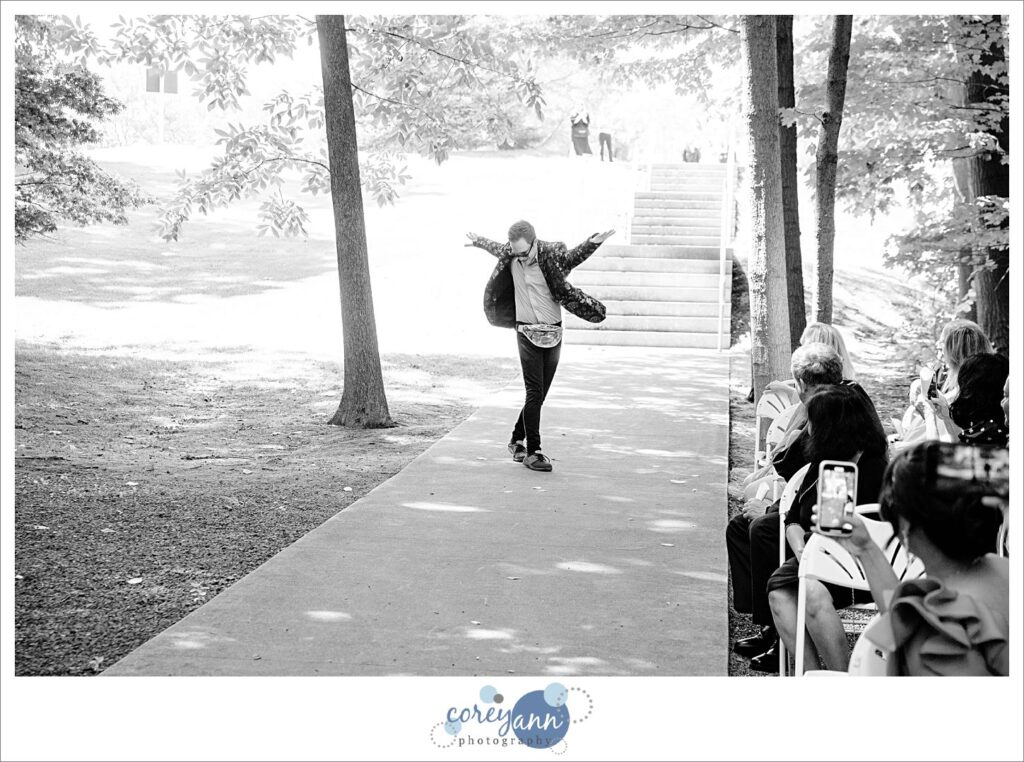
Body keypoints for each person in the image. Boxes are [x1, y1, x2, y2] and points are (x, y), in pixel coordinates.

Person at [835, 441, 1008, 675]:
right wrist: (865, 547)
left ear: (905, 523)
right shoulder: (1001, 569)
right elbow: (900, 615)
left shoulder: (937, 629)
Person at [728, 342, 845, 669]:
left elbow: (810, 476)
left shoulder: (831, 412)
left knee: (763, 529)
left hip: (831, 523)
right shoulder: (833, 403)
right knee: (742, 526)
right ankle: (770, 628)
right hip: (814, 507)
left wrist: (775, 512)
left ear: (803, 386)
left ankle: (784, 640)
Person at [464, 222, 615, 472]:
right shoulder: (511, 254)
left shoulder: (550, 254)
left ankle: (516, 439)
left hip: (553, 331)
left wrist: (593, 242)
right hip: (526, 332)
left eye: (523, 252)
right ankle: (534, 451)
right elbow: (495, 247)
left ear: (533, 243)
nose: (519, 256)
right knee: (534, 391)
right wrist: (479, 240)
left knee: (540, 393)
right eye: (515, 252)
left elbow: (572, 258)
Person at [765, 383, 889, 673]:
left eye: (813, 423)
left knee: (812, 592)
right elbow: (793, 515)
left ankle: (843, 675)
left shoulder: (861, 469)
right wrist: (801, 549)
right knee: (780, 592)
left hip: (856, 567)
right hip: (814, 554)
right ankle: (808, 675)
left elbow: (834, 528)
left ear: (831, 427)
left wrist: (808, 551)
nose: (808, 429)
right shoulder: (824, 460)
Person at [893, 319, 993, 448]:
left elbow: (945, 445)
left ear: (955, 352)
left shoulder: (966, 395)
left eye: (942, 343)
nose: (940, 350)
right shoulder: (981, 378)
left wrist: (929, 413)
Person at [928, 352, 1009, 446]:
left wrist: (928, 414)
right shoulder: (993, 427)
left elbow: (942, 454)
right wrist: (946, 416)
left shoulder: (991, 434)